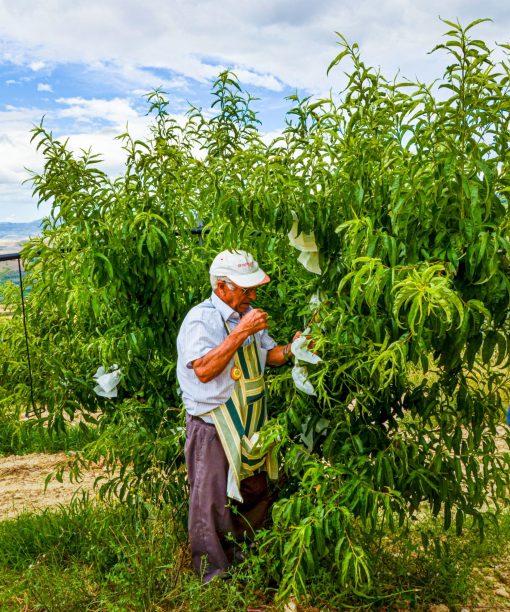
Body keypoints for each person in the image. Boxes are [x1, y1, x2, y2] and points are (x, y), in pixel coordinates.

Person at [176, 249, 297, 582]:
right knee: (211, 502)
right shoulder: (201, 320)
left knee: (254, 491)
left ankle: (248, 566)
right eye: (246, 289)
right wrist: (241, 331)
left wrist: (294, 349)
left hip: (249, 422)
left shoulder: (247, 316)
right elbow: (204, 370)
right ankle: (213, 576)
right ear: (221, 287)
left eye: (254, 289)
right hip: (214, 425)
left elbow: (268, 356)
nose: (253, 295)